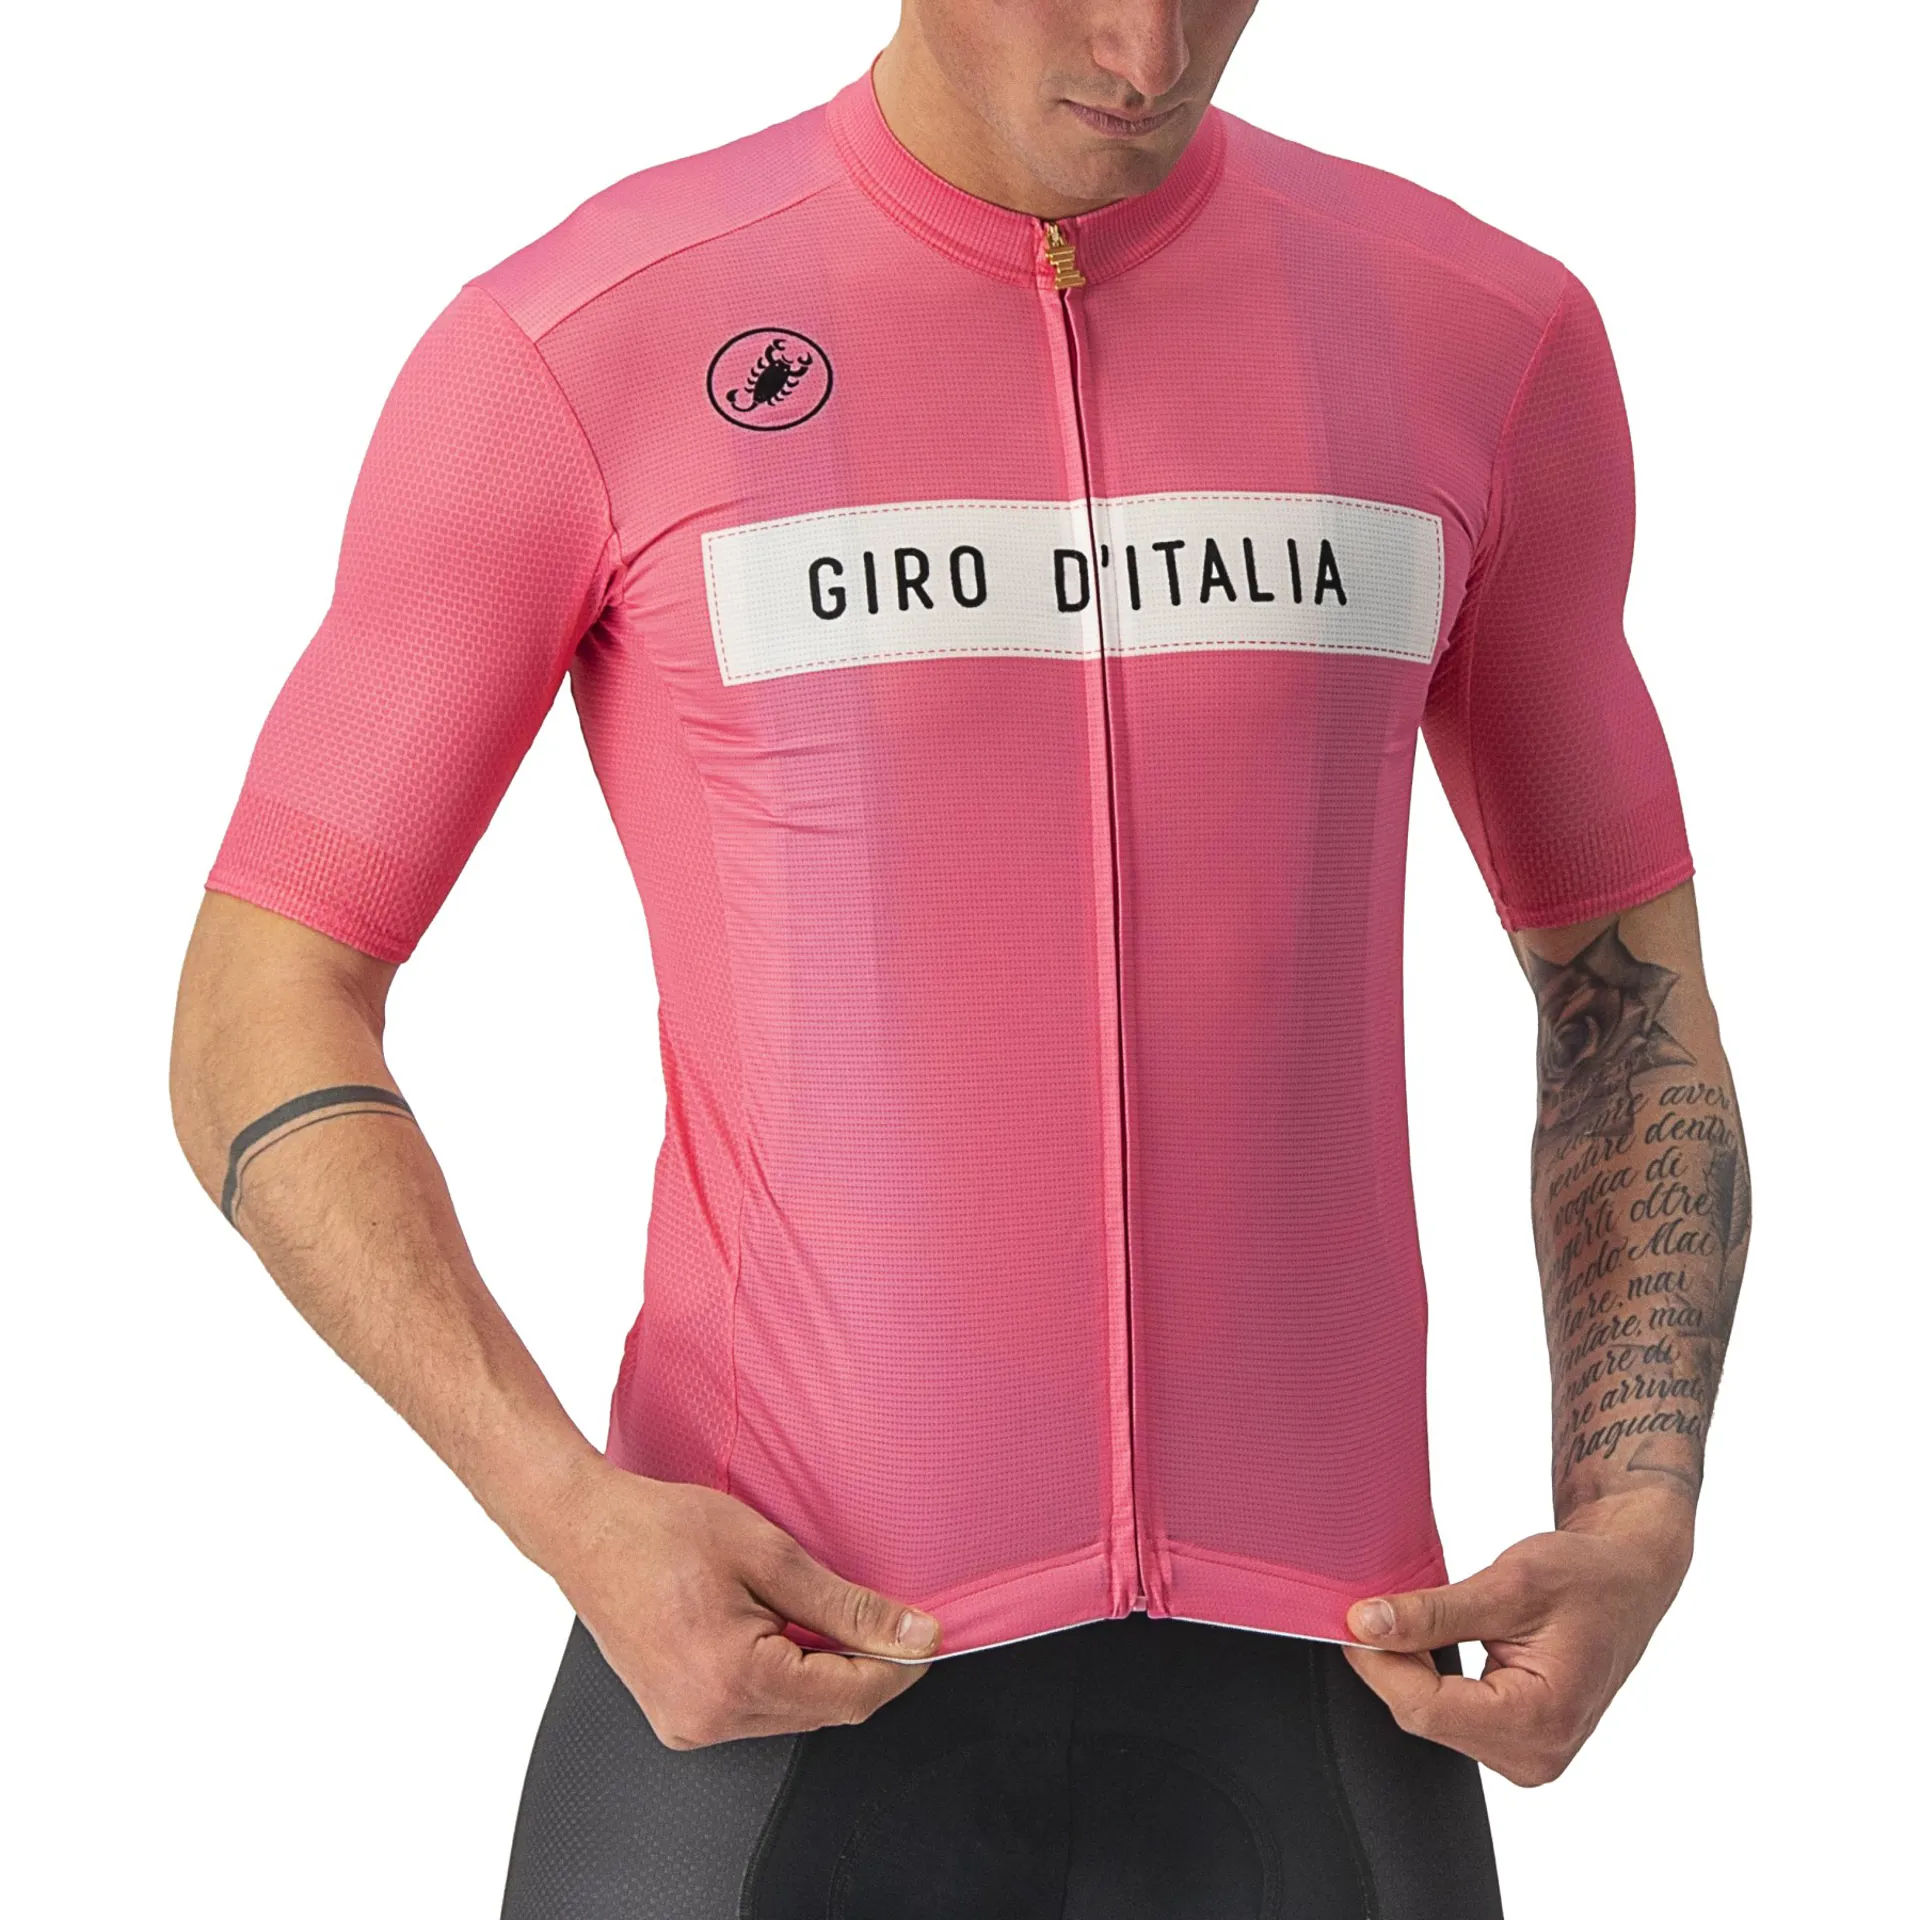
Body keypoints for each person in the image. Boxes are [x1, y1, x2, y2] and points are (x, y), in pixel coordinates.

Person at [169, 1, 1751, 1912]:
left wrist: (1639, 1509)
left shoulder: (1475, 340)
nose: (1148, 49)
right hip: (753, 1686)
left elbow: (1621, 1004)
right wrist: (566, 1509)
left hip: (1330, 1697)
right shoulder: (587, 346)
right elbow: (260, 1007)